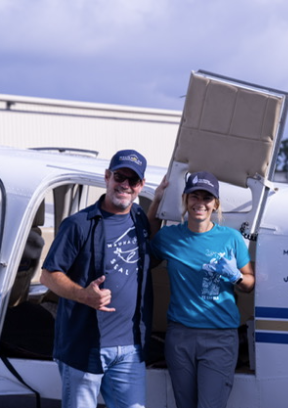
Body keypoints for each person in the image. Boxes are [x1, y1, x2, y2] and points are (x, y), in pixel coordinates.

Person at [40, 149, 152, 408]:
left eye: (132, 180)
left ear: (140, 186)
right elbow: (48, 275)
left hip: (130, 349)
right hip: (85, 345)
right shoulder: (78, 224)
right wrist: (84, 295)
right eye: (119, 176)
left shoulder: (139, 219)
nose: (124, 185)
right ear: (107, 177)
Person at [148, 171, 255, 408]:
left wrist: (237, 277)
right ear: (185, 200)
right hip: (180, 336)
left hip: (220, 337)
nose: (200, 203)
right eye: (194, 196)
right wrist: (156, 201)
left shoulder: (231, 238)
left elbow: (250, 283)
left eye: (207, 198)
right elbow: (146, 240)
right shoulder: (169, 237)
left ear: (215, 204)